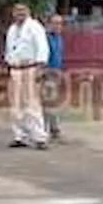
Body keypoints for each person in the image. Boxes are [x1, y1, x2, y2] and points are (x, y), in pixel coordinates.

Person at [3, 2, 49, 149]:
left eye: (23, 11)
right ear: (13, 14)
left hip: (30, 67)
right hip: (15, 68)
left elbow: (42, 46)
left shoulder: (35, 27)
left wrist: (41, 66)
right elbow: (9, 50)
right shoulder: (12, 29)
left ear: (28, 12)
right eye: (17, 11)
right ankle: (19, 136)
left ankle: (39, 137)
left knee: (32, 102)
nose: (19, 14)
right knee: (15, 103)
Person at [43, 12, 65, 141]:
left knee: (53, 102)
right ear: (49, 24)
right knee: (49, 102)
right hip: (47, 72)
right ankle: (49, 129)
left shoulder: (59, 38)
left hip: (56, 72)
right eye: (55, 23)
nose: (58, 26)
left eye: (60, 23)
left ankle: (53, 129)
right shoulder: (45, 38)